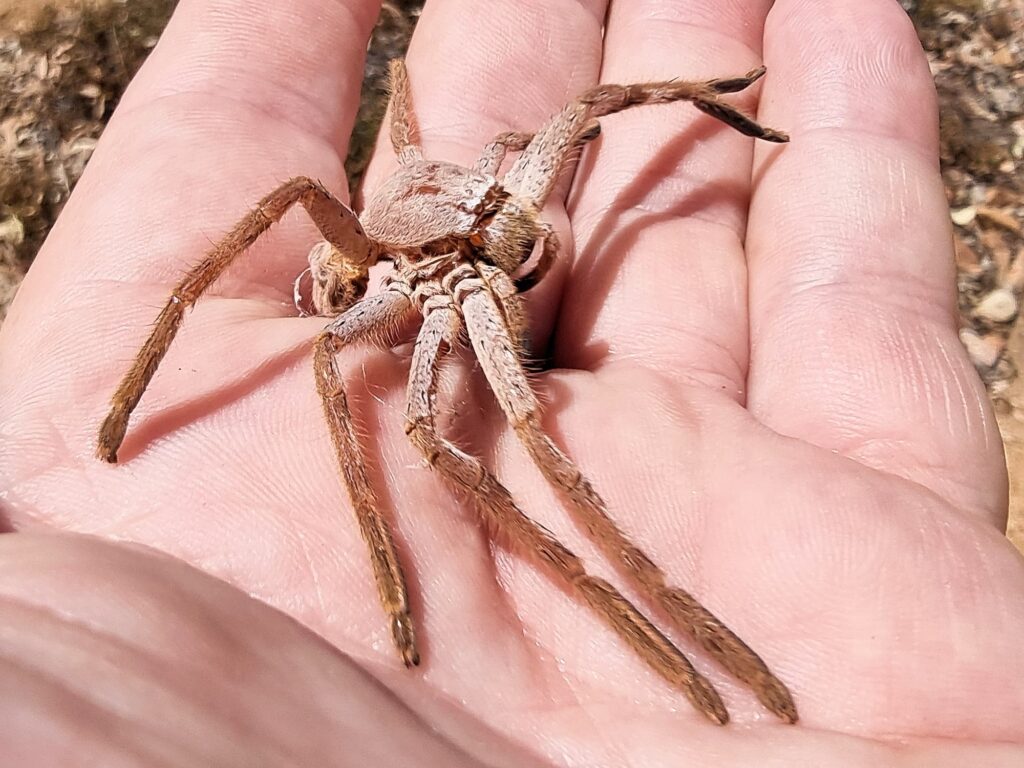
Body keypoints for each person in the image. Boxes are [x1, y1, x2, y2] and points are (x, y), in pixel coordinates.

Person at [0, 0, 1022, 764]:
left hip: (450, 227)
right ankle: (640, 620)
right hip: (418, 275)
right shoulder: (445, 295)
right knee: (506, 438)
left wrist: (714, 104)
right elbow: (375, 364)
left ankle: (691, 641)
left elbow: (585, 103)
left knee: (580, 100)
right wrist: (379, 555)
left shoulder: (499, 175)